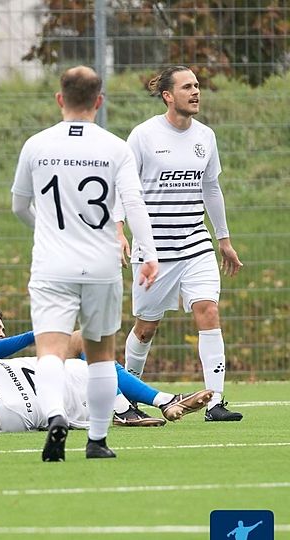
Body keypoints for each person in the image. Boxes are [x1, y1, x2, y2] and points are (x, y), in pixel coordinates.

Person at [10, 66, 159, 460]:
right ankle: (96, 440)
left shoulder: (36, 144)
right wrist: (149, 253)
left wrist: (45, 230)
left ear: (60, 99)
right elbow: (134, 204)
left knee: (51, 350)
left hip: (51, 265)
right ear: (99, 101)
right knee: (100, 354)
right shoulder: (115, 147)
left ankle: (56, 416)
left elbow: (18, 205)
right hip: (101, 265)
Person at [115, 66, 244, 422]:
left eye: (198, 86)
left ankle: (215, 401)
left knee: (208, 310)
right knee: (146, 327)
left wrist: (224, 239)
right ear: (168, 96)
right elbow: (122, 186)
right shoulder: (143, 136)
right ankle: (128, 393)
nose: (196, 92)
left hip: (195, 244)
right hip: (154, 251)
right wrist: (119, 230)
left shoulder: (206, 136)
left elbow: (211, 188)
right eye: (188, 87)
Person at [0, 309, 213, 433]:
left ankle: (152, 401)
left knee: (85, 340)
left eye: (3, 328)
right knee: (91, 366)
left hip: (36, 382)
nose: (2, 333)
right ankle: (131, 406)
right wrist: (38, 332)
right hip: (51, 396)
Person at [0, 355, 213, 434]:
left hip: (83, 406)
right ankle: (163, 400)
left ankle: (125, 411)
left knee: (102, 373)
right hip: (74, 367)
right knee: (101, 358)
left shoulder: (7, 418)